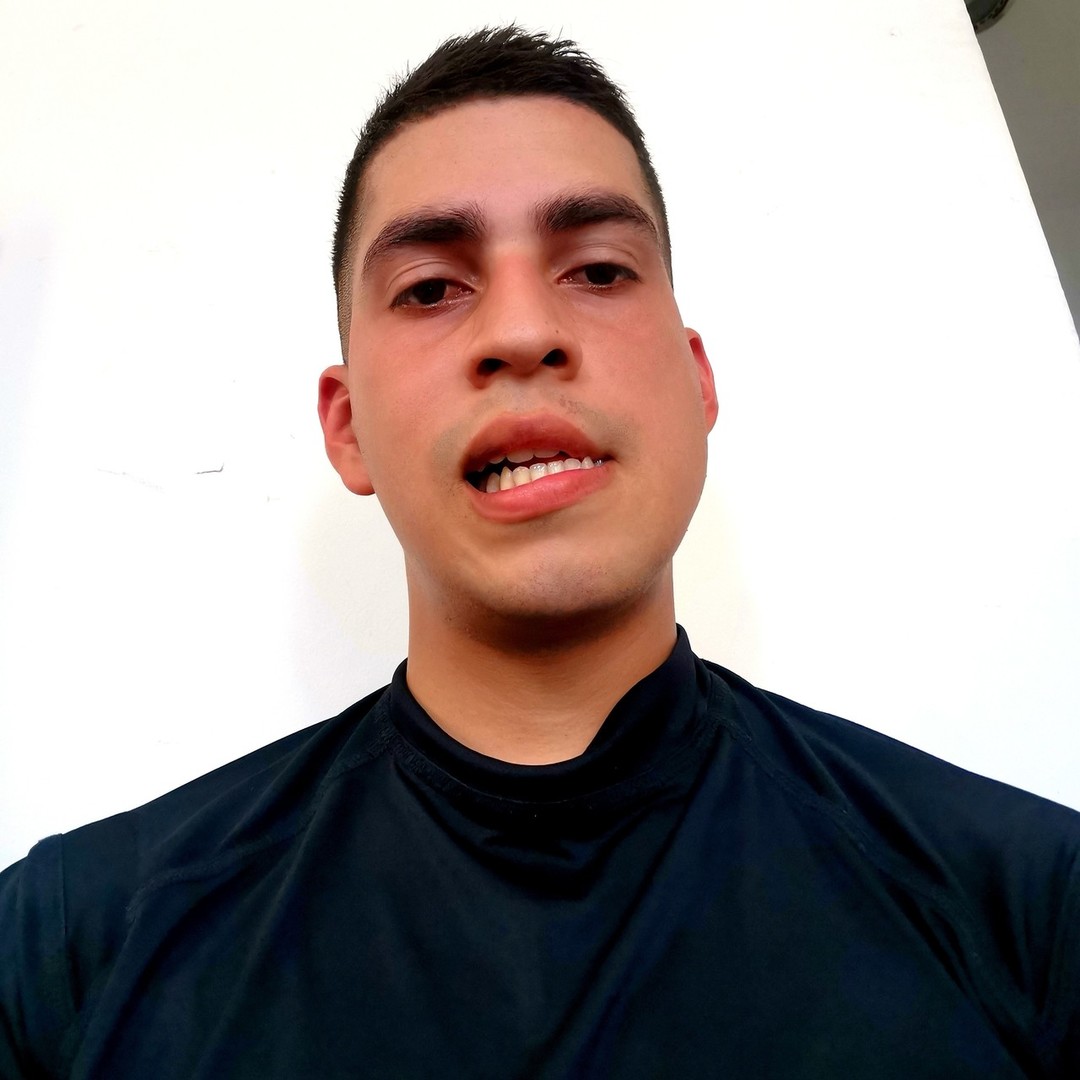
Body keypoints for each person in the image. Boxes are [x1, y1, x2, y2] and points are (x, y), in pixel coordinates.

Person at [1, 25, 1077, 1079]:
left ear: (698, 382)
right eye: (432, 287)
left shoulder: (1035, 909)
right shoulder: (67, 952)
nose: (522, 332)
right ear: (347, 426)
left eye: (599, 270)